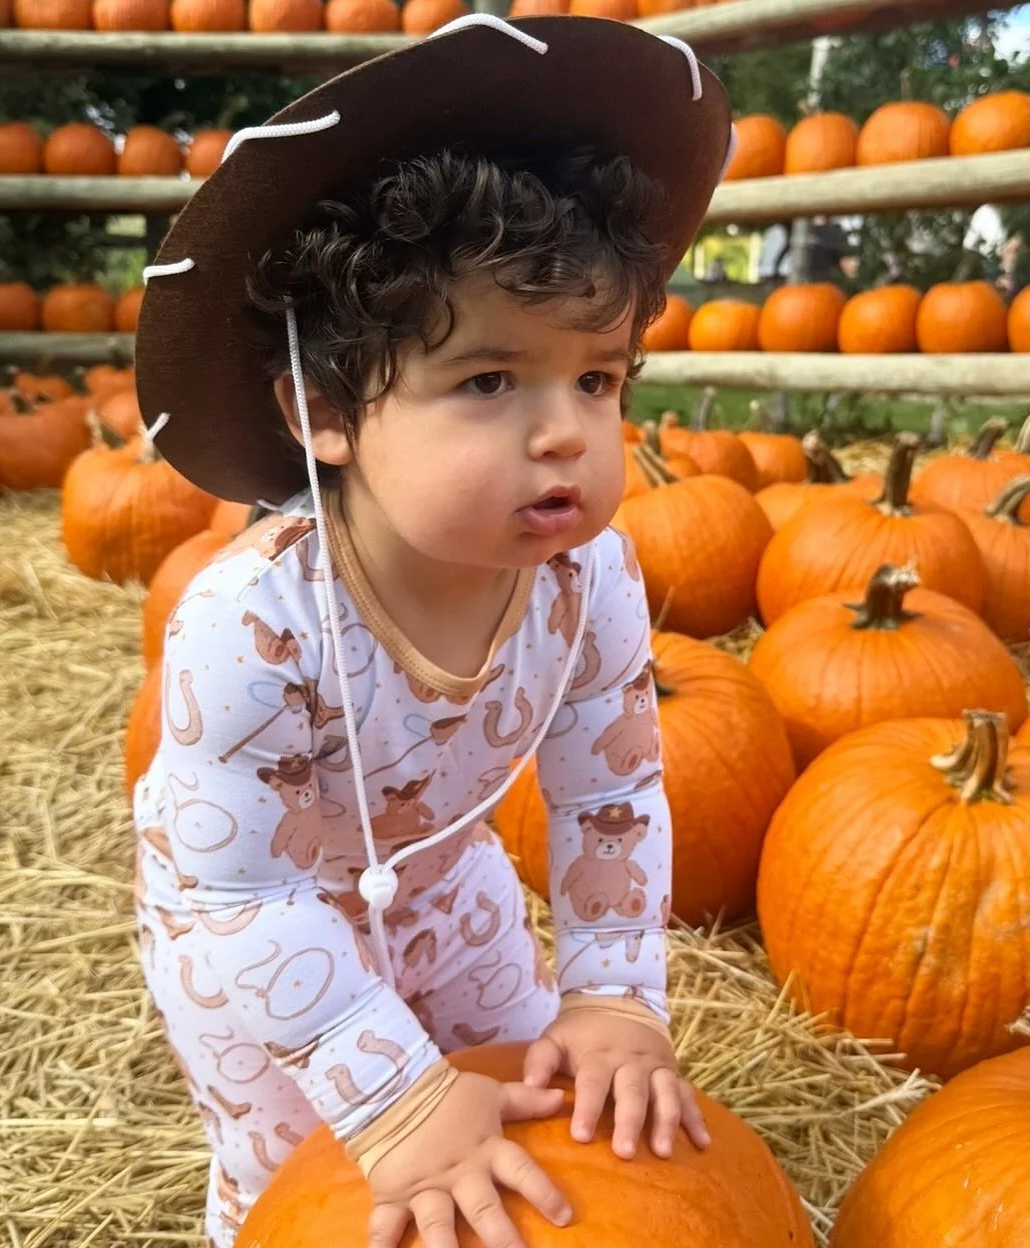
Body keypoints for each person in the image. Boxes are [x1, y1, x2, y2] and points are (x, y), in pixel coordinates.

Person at [129, 14, 733, 1248]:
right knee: (312, 1182)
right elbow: (241, 891)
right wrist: (389, 1094)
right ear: (325, 411)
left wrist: (617, 995)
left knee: (531, 1122)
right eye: (489, 381)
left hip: (452, 896)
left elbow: (611, 797)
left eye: (597, 378)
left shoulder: (590, 583)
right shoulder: (251, 629)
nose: (564, 432)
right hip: (261, 945)